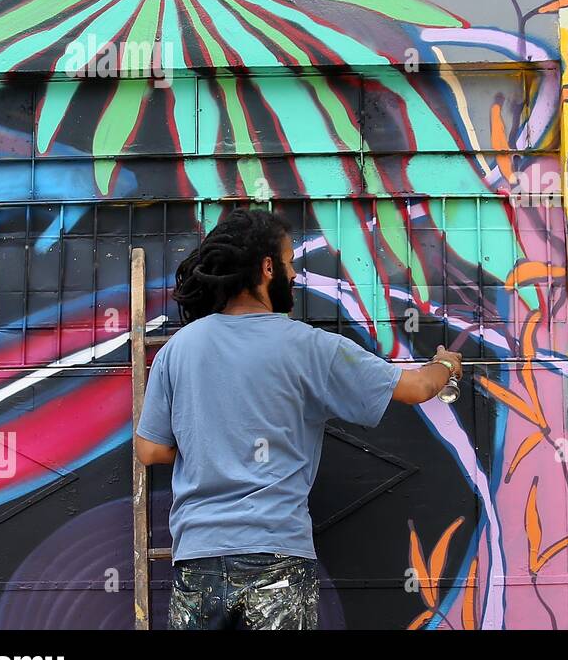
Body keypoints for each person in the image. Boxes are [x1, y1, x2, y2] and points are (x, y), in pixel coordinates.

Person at [133, 207, 461, 630]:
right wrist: (446, 364)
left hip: (198, 558)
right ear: (266, 268)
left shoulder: (179, 349)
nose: (294, 275)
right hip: (276, 558)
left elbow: (150, 448)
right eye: (289, 263)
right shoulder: (308, 347)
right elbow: (416, 388)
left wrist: (210, 438)